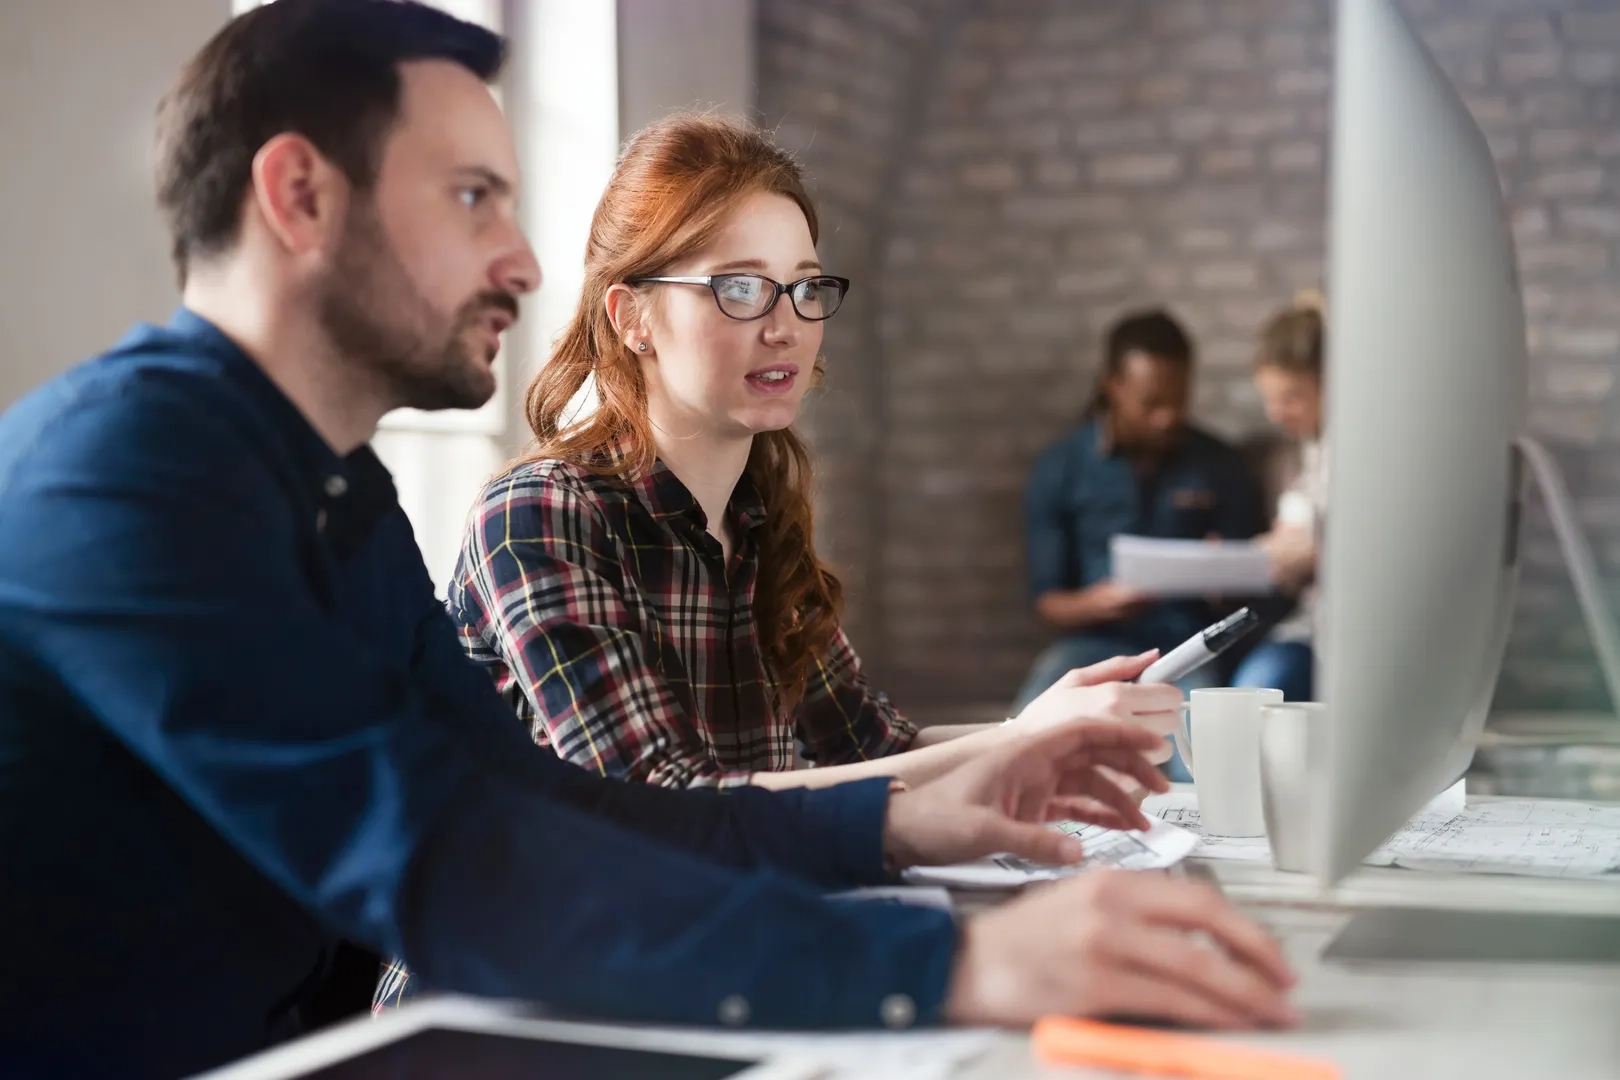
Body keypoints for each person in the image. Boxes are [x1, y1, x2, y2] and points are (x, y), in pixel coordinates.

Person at [0, 3, 1294, 1076]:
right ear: (296, 195)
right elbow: (462, 863)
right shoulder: (124, 478)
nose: (517, 258)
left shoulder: (332, 493)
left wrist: (906, 827)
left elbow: (555, 806)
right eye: (471, 198)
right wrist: (959, 960)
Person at [440, 113, 1181, 798]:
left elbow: (872, 750)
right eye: (740, 288)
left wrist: (1051, 732)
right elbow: (665, 802)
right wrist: (1020, 746)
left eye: (803, 288)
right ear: (633, 316)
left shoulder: (760, 526)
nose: (786, 326)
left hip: (708, 931)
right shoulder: (538, 516)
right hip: (540, 941)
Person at [1015, 311, 1266, 729]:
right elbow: (1047, 601)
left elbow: (1256, 587)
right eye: (1151, 403)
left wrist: (1223, 574)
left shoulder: (1220, 465)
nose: (1166, 417)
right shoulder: (1061, 467)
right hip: (1094, 644)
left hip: (1188, 646)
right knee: (1029, 730)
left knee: (1194, 742)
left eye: (1178, 400)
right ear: (1113, 385)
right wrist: (1099, 601)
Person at [1232, 293, 1328, 701]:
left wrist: (1309, 553)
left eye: (1291, 397)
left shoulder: (1365, 454)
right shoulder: (1311, 451)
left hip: (1344, 636)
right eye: (1270, 399)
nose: (1276, 413)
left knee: (1254, 696)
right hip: (1310, 624)